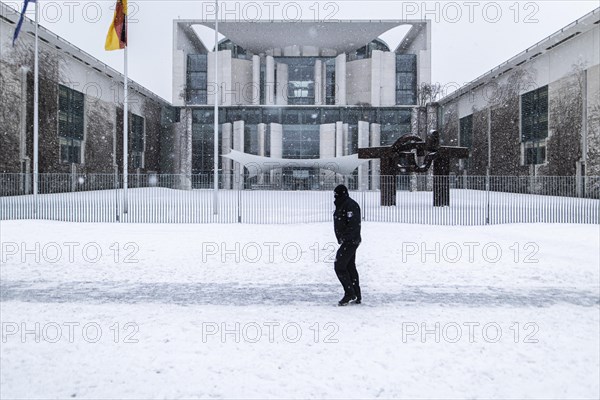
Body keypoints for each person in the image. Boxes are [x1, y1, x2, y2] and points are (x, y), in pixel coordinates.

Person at [332, 184, 362, 306]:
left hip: (351, 241)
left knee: (339, 266)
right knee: (349, 267)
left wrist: (345, 237)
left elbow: (353, 224)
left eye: (336, 194)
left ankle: (350, 293)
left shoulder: (350, 205)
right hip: (348, 240)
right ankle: (356, 294)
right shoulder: (343, 204)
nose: (334, 197)